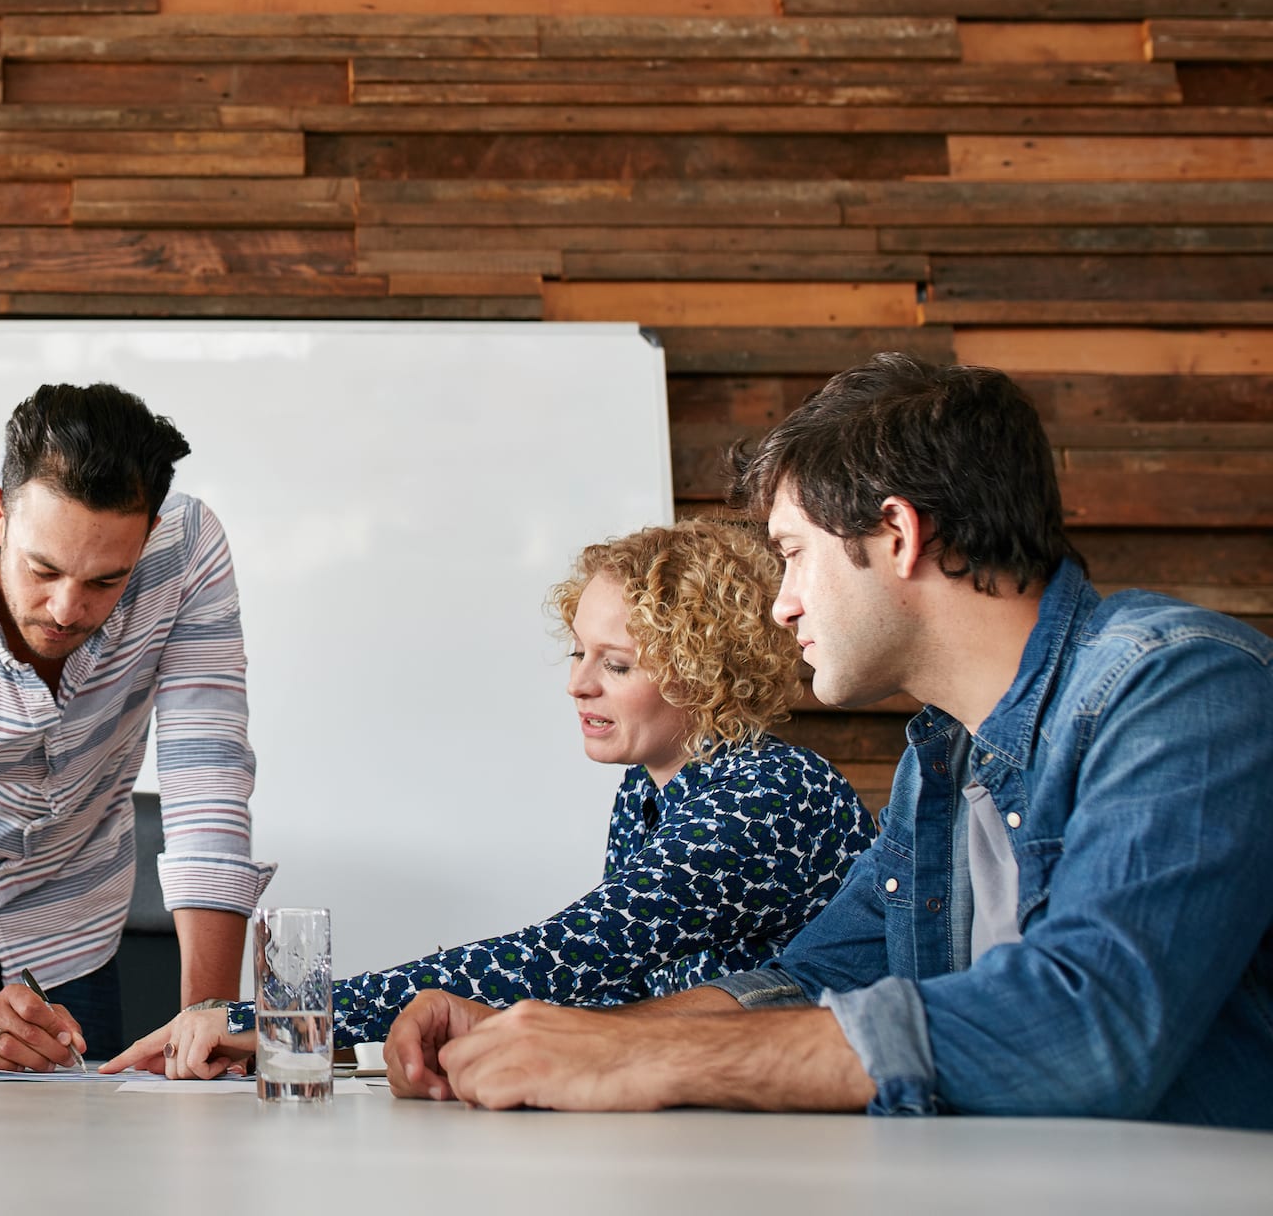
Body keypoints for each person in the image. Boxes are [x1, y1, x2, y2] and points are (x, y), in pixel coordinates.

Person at [392, 355, 1273, 1130]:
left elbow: (1088, 1023)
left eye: (792, 553)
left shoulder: (1179, 686)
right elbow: (815, 983)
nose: (780, 605)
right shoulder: (942, 761)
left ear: (898, 534)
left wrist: (642, 1062)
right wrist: (560, 1035)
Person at [105, 519, 875, 1078]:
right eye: (579, 652)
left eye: (616, 664)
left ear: (705, 672)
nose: (577, 683)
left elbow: (576, 952)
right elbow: (620, 981)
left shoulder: (770, 795)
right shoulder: (646, 792)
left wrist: (274, 1017)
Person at [0, 382, 271, 1070]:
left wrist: (207, 1020)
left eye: (104, 581)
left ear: (147, 536)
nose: (66, 609)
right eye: (44, 569)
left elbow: (206, 784)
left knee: (74, 1172)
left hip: (68, 931)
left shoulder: (185, 556)